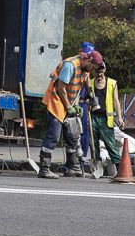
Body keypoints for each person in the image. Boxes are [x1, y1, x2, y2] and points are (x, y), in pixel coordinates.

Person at [38, 50, 99, 179]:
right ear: (89, 61)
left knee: (72, 135)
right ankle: (44, 169)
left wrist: (75, 105)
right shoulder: (70, 65)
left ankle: (72, 167)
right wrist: (68, 106)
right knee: (53, 135)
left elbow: (75, 89)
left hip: (68, 102)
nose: (93, 70)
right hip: (57, 101)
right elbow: (61, 88)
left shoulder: (85, 70)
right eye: (93, 67)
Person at [88, 59, 123, 178]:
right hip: (93, 116)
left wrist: (119, 117)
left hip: (106, 118)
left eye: (101, 72)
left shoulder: (112, 83)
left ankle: (120, 169)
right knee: (94, 144)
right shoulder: (90, 83)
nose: (99, 74)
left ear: (105, 71)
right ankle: (97, 168)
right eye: (97, 72)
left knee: (111, 144)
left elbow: (116, 101)